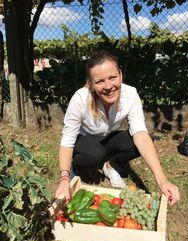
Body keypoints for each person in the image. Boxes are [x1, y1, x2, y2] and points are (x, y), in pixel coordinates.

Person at [55, 50, 180, 206]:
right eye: (100, 81)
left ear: (120, 75)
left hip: (107, 137)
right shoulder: (80, 98)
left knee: (146, 140)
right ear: (91, 84)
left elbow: (140, 132)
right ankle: (75, 167)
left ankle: (111, 165)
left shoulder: (130, 94)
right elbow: (67, 140)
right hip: (84, 141)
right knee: (95, 153)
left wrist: (162, 181)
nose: (108, 86)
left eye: (113, 77)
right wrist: (64, 179)